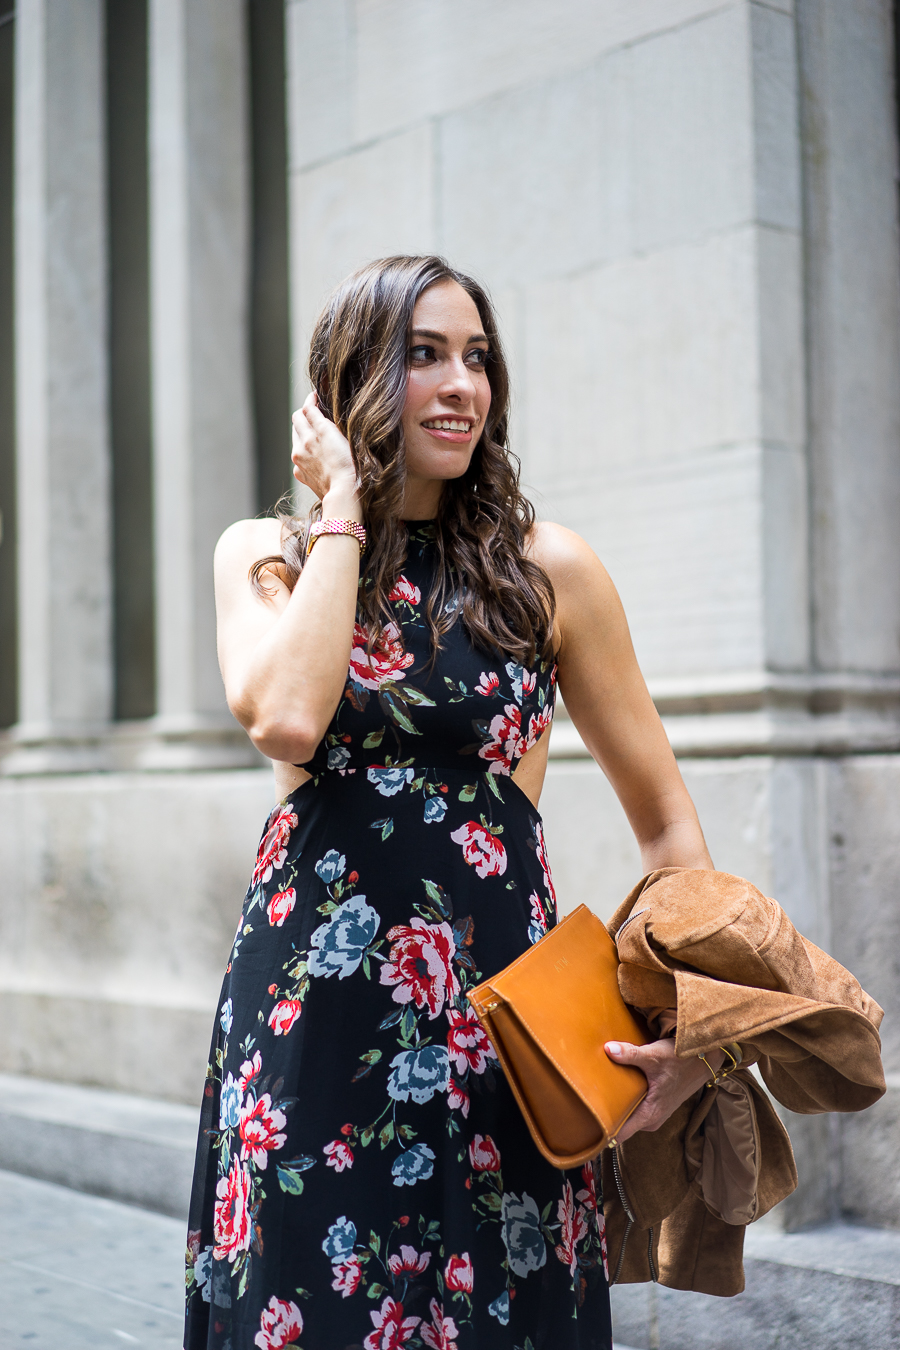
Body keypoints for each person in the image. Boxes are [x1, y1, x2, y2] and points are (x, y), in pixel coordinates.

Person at [184, 255, 727, 1350]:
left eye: (477, 358)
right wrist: (341, 506)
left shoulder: (550, 571)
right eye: (422, 354)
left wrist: (692, 1019)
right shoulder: (268, 560)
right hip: (310, 1036)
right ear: (347, 388)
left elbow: (667, 820)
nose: (461, 385)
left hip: (500, 1037)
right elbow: (288, 718)